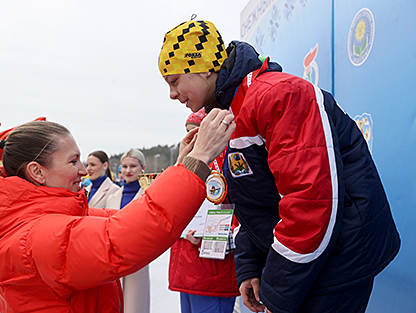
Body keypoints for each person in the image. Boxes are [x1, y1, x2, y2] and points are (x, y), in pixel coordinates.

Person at [158, 19, 400, 313]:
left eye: (174, 81)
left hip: (336, 261)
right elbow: (254, 200)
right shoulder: (231, 109)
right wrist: (250, 265)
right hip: (308, 264)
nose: (171, 93)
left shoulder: (277, 95)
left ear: (204, 67)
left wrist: (277, 292)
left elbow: (311, 202)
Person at [0, 116, 235, 313]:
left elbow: (128, 216)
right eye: (73, 161)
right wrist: (197, 163)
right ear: (37, 172)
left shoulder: (39, 219)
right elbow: (124, 238)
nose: (83, 170)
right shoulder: (39, 235)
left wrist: (182, 166)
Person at [168, 109, 239, 313]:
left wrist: (210, 235)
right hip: (187, 266)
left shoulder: (230, 160)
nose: (193, 140)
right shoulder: (186, 165)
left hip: (212, 271)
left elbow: (243, 213)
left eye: (198, 132)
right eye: (188, 133)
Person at [106, 149, 149, 313]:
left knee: (135, 306)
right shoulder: (113, 197)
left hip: (137, 259)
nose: (128, 171)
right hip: (113, 260)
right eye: (124, 166)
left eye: (133, 166)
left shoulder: (149, 195)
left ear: (142, 168)